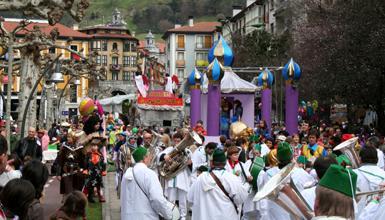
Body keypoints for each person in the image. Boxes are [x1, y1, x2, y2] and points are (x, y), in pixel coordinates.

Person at [187, 149, 248, 220]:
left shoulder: (200, 178)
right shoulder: (231, 178)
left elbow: (190, 199)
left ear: (212, 162)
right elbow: (241, 198)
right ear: (225, 162)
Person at [120, 147, 173, 219]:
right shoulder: (149, 174)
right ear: (144, 158)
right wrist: (169, 215)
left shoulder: (126, 174)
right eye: (149, 156)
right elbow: (157, 198)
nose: (150, 158)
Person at [160, 132, 191, 220]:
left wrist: (190, 164)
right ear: (173, 141)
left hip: (182, 177)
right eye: (175, 140)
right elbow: (160, 156)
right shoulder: (170, 149)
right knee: (171, 199)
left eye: (179, 140)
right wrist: (164, 156)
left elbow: (192, 164)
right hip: (171, 177)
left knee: (182, 200)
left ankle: (183, 216)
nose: (177, 142)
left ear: (182, 141)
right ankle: (171, 216)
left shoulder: (187, 151)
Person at [83, 137, 107, 203]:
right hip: (90, 173)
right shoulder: (88, 154)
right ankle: (90, 197)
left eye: (95, 146)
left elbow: (103, 163)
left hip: (98, 173)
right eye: (93, 146)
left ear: (98, 147)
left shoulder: (100, 155)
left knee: (99, 184)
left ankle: (100, 196)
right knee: (90, 185)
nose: (94, 147)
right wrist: (85, 169)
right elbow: (85, 162)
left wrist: (104, 170)